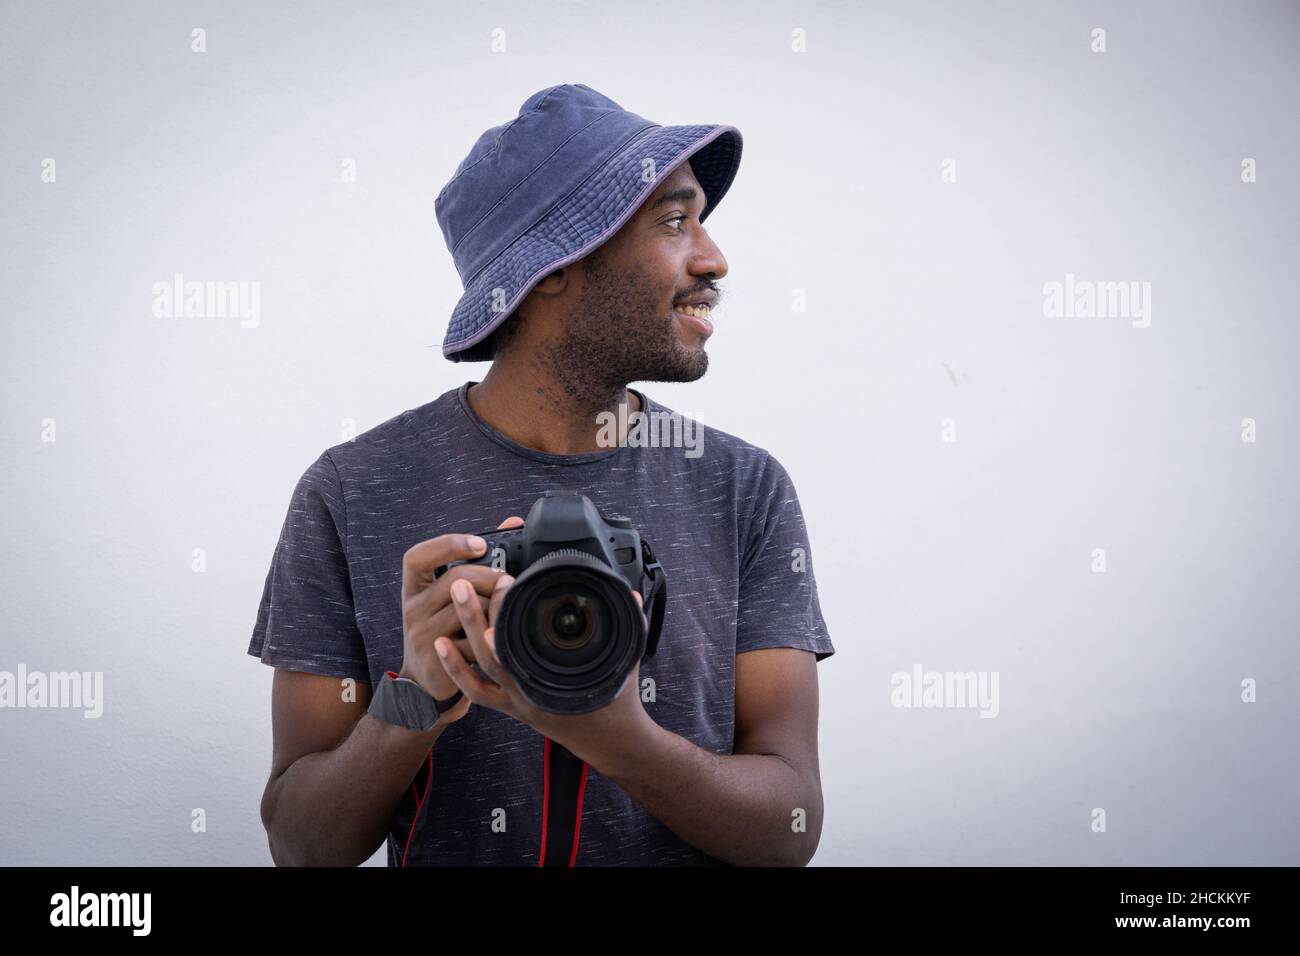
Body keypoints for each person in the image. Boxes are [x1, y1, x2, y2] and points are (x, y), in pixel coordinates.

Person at [248, 84, 835, 867]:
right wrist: (413, 700)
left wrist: (624, 741)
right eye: (673, 219)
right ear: (553, 269)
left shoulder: (743, 489)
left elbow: (789, 831)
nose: (713, 257)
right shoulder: (352, 491)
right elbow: (301, 845)